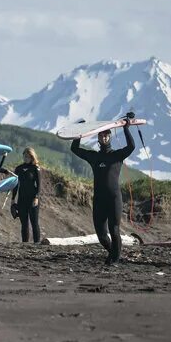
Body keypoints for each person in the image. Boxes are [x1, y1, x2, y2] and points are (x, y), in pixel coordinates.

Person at [69, 113, 136, 266]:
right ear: (98, 138)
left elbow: (131, 146)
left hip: (114, 199)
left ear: (110, 137)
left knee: (114, 230)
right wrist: (80, 130)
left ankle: (114, 261)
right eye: (101, 135)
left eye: (106, 135)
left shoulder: (117, 155)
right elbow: (74, 148)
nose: (104, 137)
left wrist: (126, 128)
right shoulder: (94, 157)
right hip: (99, 199)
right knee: (101, 235)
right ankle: (113, 253)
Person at [11, 147, 42, 243]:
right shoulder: (18, 168)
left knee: (34, 222)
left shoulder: (35, 168)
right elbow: (15, 185)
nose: (26, 158)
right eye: (25, 156)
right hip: (22, 199)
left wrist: (36, 197)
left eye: (28, 157)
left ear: (32, 157)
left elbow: (39, 185)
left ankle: (37, 243)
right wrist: (13, 199)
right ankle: (25, 244)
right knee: (24, 223)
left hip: (32, 198)